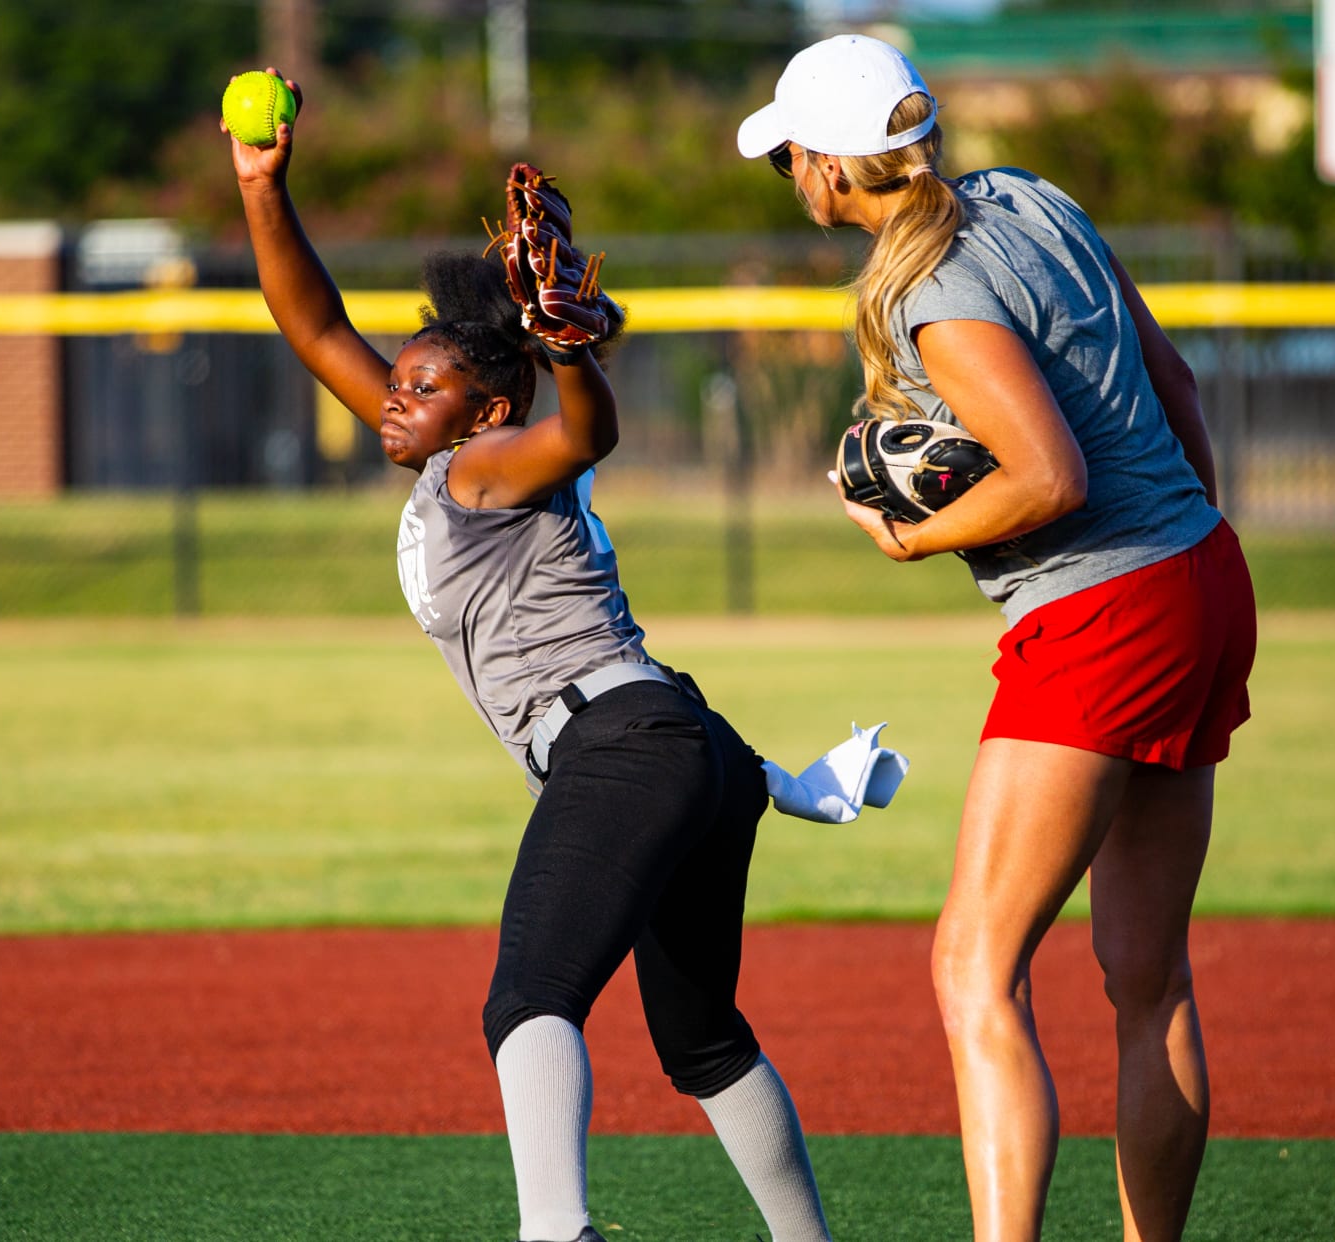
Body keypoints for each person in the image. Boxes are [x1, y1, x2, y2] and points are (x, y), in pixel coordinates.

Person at [225, 74, 834, 1242]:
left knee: (530, 1001)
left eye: (422, 386)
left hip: (620, 747)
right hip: (681, 743)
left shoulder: (485, 466)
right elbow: (311, 326)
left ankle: (557, 1232)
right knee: (702, 1040)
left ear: (488, 409)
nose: (392, 400)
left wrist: (566, 352)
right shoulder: (453, 449)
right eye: (395, 382)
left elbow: (586, 428)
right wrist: (264, 188)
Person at [738, 36, 1255, 1242]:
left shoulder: (931, 288)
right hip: (1198, 577)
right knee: (1146, 974)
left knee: (974, 972)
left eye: (791, 162)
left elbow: (1050, 477)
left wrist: (909, 539)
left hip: (1101, 616)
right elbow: (1172, 383)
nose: (793, 181)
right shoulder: (1032, 196)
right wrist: (1187, 550)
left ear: (827, 169)